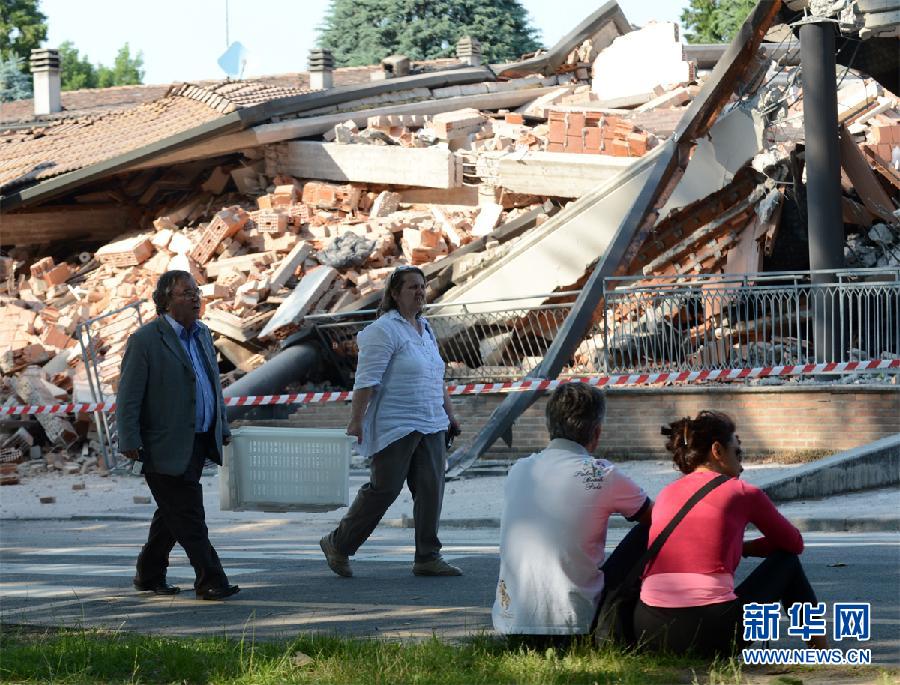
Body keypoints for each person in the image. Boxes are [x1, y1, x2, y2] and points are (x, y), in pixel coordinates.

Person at [633, 410, 827, 656]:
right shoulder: (742, 492)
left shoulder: (666, 493)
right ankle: (821, 653)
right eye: (738, 453)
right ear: (717, 450)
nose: (742, 465)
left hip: (649, 630)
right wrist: (748, 548)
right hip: (709, 631)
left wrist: (741, 547)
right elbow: (794, 543)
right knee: (787, 563)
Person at [320, 265, 462, 578]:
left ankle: (428, 556)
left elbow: (437, 377)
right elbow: (366, 380)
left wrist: (450, 414)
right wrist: (356, 421)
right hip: (396, 422)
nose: (420, 292)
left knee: (431, 488)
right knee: (385, 489)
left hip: (431, 421)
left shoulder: (426, 329)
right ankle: (338, 544)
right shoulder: (383, 331)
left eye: (422, 286)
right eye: (412, 287)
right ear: (395, 294)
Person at [492, 382, 652, 641]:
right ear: (597, 432)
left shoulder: (519, 469)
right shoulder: (602, 473)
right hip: (574, 626)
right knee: (647, 532)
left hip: (510, 625)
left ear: (549, 427)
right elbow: (659, 519)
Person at [117, 270, 239, 601]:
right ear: (167, 301)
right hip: (162, 443)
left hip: (198, 439)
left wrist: (221, 426)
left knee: (172, 512)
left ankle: (149, 574)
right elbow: (128, 395)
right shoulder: (145, 340)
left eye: (196, 291)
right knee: (188, 513)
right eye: (186, 293)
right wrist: (127, 438)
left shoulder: (201, 334)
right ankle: (211, 579)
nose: (195, 298)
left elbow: (212, 384)